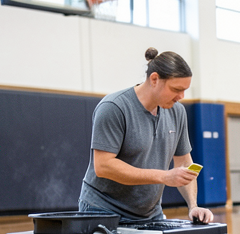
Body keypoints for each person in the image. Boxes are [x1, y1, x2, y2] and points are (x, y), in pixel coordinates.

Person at [79, 47, 214, 224]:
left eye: (185, 90)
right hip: (102, 211)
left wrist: (193, 205)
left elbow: (184, 163)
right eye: (176, 89)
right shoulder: (113, 107)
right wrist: (164, 176)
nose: (181, 96)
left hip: (150, 214)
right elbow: (103, 166)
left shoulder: (178, 112)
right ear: (154, 79)